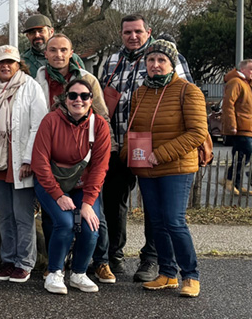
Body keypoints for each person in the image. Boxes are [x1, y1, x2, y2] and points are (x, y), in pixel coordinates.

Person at [101, 15, 194, 282]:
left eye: (138, 31)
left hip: (155, 149)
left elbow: (186, 95)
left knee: (154, 208)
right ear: (121, 34)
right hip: (119, 145)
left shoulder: (165, 56)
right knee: (114, 202)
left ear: (148, 31)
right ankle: (113, 256)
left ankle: (151, 260)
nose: (133, 36)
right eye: (127, 32)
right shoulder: (111, 61)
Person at [121, 40, 207, 298]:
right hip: (147, 168)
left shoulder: (188, 91)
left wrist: (161, 154)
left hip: (176, 168)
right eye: (151, 60)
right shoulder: (140, 92)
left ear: (172, 64)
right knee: (157, 222)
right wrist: (129, 153)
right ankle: (167, 273)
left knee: (174, 221)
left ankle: (190, 275)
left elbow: (197, 133)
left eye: (161, 61)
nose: (155, 65)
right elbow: (133, 128)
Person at [33, 33, 112, 284]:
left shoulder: (98, 124)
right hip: (52, 181)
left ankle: (79, 272)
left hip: (82, 182)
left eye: (84, 97)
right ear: (64, 99)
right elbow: (40, 161)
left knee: (91, 225)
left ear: (91, 100)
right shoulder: (50, 118)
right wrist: (57, 194)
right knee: (64, 224)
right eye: (73, 96)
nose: (78, 100)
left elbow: (99, 167)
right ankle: (55, 271)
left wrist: (88, 202)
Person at [0, 45, 48, 283]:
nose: (5, 66)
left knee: (23, 215)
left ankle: (24, 262)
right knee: (5, 215)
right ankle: (8, 260)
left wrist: (30, 159)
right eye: (0, 62)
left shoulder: (30, 87)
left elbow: (39, 126)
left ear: (19, 64)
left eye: (10, 62)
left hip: (20, 161)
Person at [221, 59, 252, 195]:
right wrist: (232, 125)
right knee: (244, 153)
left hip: (247, 127)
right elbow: (228, 105)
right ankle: (229, 179)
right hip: (241, 127)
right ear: (242, 69)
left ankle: (236, 184)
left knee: (242, 155)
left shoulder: (247, 84)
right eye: (251, 69)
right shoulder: (236, 82)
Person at [22, 14, 86, 77]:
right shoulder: (22, 61)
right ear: (27, 36)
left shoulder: (72, 58)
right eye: (32, 32)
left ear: (51, 32)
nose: (37, 35)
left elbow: (85, 82)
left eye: (40, 31)